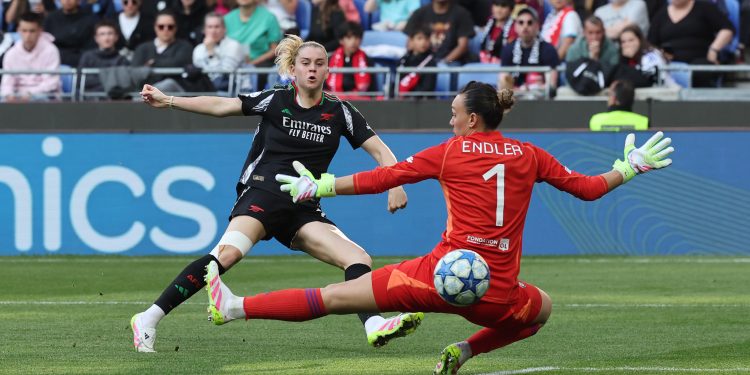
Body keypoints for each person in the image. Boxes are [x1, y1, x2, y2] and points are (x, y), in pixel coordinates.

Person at [203, 80, 674, 374]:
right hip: (496, 293)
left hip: (433, 278)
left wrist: (321, 187)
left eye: (453, 114)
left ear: (472, 119)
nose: (449, 121)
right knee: (542, 310)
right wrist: (628, 169)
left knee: (334, 298)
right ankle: (464, 353)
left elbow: (384, 177)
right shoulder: (530, 155)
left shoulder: (450, 151)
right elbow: (589, 189)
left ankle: (236, 307)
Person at [131, 34, 419, 353]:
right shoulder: (276, 100)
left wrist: (396, 184)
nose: (312, 69)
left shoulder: (341, 112)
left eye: (319, 64)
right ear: (293, 70)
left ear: (328, 71)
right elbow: (221, 105)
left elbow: (382, 152)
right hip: (263, 193)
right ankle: (148, 318)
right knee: (225, 256)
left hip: (303, 206)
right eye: (305, 63)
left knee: (358, 257)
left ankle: (374, 324)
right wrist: (169, 100)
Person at [648, 0, 734, 87]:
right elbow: (651, 43)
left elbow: (727, 29)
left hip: (701, 59)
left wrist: (714, 49)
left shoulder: (705, 7)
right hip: (669, 62)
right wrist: (661, 54)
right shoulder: (660, 14)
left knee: (701, 71)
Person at [0, 12, 60, 101]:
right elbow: (7, 83)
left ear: (40, 31)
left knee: (40, 98)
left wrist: (30, 93)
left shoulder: (51, 51)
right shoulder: (11, 54)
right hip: (17, 97)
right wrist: (9, 95)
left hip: (43, 96)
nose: (27, 36)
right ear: (18, 31)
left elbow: (51, 83)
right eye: (24, 31)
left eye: (32, 31)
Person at [498, 7, 559, 93]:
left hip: (541, 99)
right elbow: (503, 84)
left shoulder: (548, 49)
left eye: (530, 23)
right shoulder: (508, 49)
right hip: (514, 98)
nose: (525, 26)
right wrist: (519, 91)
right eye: (521, 22)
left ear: (537, 26)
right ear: (515, 26)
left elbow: (551, 86)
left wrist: (530, 90)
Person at [132, 10, 194, 92]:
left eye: (170, 27)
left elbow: (177, 63)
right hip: (144, 92)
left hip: (176, 95)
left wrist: (153, 63)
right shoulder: (142, 48)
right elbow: (135, 71)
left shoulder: (185, 46)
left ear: (176, 28)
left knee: (168, 84)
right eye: (161, 26)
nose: (166, 29)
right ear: (155, 27)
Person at [224, 0, 282, 89]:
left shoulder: (269, 17)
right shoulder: (227, 18)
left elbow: (275, 49)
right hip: (230, 65)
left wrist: (251, 63)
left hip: (260, 66)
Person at [403, 0, 476, 65]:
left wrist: (444, 62)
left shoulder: (462, 14)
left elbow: (462, 46)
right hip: (423, 62)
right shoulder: (419, 13)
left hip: (452, 62)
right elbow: (410, 44)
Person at [192, 12, 247, 91]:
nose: (213, 31)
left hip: (234, 92)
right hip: (207, 92)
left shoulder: (234, 45)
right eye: (210, 27)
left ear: (224, 29)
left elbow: (222, 78)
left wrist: (211, 52)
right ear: (204, 30)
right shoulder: (198, 50)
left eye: (217, 27)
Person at [610, 24, 675, 88]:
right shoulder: (624, 58)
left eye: (631, 40)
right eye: (623, 42)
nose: (627, 44)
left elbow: (649, 81)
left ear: (640, 40)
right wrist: (625, 60)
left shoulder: (650, 55)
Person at [326, 21, 375, 100]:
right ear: (341, 40)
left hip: (360, 102)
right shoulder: (329, 60)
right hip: (335, 101)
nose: (353, 42)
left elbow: (372, 89)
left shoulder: (367, 60)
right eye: (349, 38)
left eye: (356, 38)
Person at [78, 19, 130, 92]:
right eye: (102, 34)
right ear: (96, 38)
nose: (106, 38)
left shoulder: (122, 59)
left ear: (116, 37)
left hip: (115, 100)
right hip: (90, 99)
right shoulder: (87, 57)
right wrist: (110, 79)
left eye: (110, 33)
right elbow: (81, 81)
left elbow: (124, 83)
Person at [43, 0, 98, 66]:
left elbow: (91, 46)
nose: (67, 1)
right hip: (55, 60)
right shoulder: (50, 18)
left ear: (78, 1)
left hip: (81, 61)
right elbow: (45, 42)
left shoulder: (89, 19)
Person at [397, 25, 437, 97]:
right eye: (419, 38)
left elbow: (428, 87)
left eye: (427, 39)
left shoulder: (431, 61)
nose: (423, 42)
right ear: (411, 40)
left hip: (421, 103)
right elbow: (396, 83)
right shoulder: (403, 60)